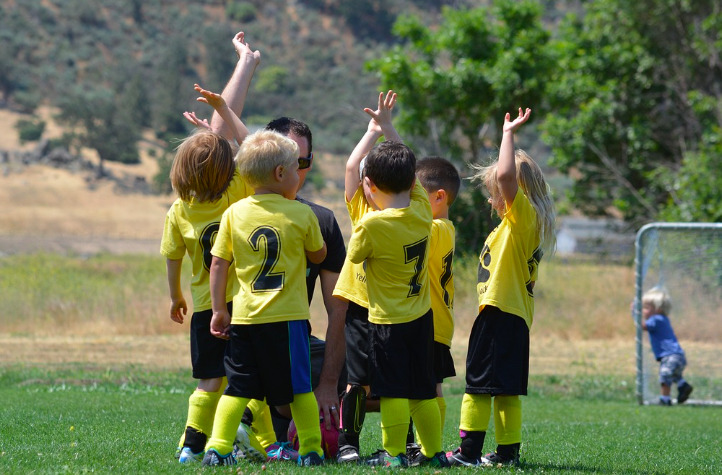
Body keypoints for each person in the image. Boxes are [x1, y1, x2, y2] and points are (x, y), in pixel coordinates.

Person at [201, 129, 327, 467]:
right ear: (281, 174)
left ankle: (217, 448)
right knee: (299, 388)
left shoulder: (234, 214)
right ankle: (312, 449)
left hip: (245, 319)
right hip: (288, 320)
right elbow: (319, 255)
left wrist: (217, 311)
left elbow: (217, 263)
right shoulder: (301, 214)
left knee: (238, 389)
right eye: (296, 165)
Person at [160, 37, 258, 464]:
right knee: (249, 379)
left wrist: (174, 295)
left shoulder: (179, 209)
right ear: (228, 169)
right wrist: (223, 111)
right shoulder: (236, 190)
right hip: (242, 303)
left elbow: (172, 257)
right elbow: (246, 143)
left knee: (208, 381)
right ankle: (235, 441)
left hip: (203, 306)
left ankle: (190, 446)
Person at [340, 90, 448, 468]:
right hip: (422, 319)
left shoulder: (370, 224)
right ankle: (434, 453)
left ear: (369, 186)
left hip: (387, 323)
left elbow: (353, 257)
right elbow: (410, 174)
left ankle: (393, 454)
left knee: (392, 392)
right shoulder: (422, 211)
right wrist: (389, 129)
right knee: (422, 389)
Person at [447, 108, 556, 467]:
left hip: (499, 313)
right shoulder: (516, 226)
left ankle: (467, 454)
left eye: (495, 191)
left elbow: (508, 175)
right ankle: (507, 455)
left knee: (477, 386)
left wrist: (507, 133)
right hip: (514, 317)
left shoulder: (522, 217)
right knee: (506, 389)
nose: (493, 198)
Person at [405, 156, 460, 465]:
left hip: (431, 323)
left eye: (415, 194)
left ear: (439, 197)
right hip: (437, 323)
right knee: (431, 385)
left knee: (429, 388)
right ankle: (430, 448)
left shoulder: (436, 229)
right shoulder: (444, 227)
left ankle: (431, 450)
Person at [641, 286, 693, 405]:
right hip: (677, 355)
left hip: (670, 356)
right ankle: (683, 386)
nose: (643, 311)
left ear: (658, 309)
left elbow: (643, 327)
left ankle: (665, 399)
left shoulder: (656, 319)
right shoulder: (663, 319)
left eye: (646, 308)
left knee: (665, 376)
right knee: (674, 376)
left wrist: (634, 313)